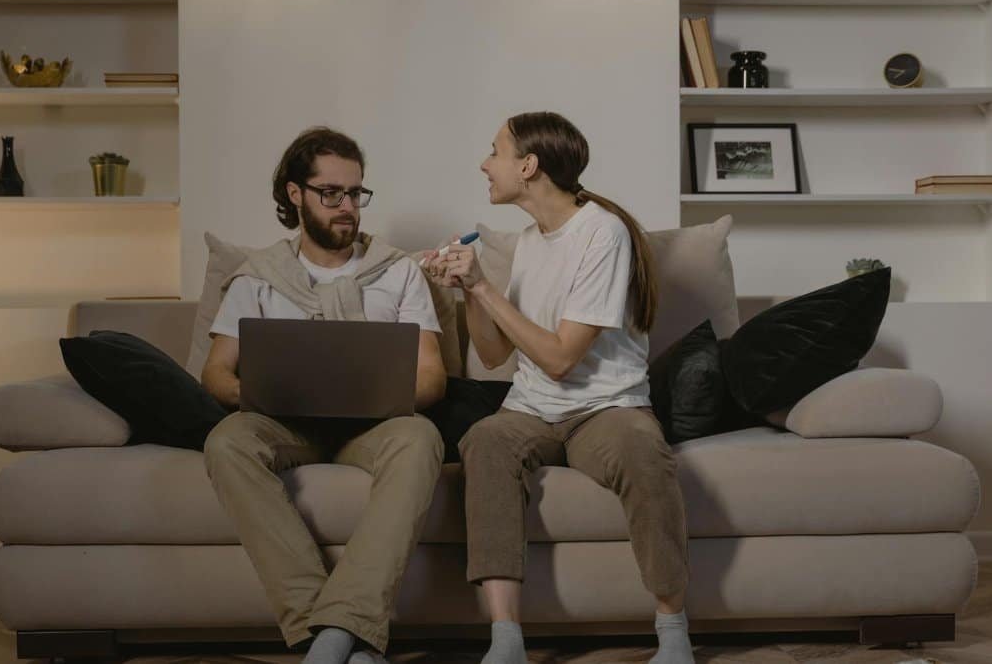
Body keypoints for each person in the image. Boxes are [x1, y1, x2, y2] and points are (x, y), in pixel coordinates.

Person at [425, 112, 693, 664]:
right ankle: (505, 642)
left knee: (642, 450)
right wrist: (467, 289)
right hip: (531, 409)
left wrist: (484, 287)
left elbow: (561, 359)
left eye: (494, 151)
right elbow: (494, 355)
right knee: (485, 441)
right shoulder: (530, 241)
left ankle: (673, 634)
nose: (484, 164)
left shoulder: (602, 232)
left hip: (606, 407)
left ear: (528, 165)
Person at [202, 126, 447, 664]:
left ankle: (334, 635)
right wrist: (261, 393)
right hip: (286, 423)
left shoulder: (398, 272)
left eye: (355, 193)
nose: (347, 208)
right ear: (296, 194)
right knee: (227, 442)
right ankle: (328, 634)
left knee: (420, 438)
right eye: (331, 194)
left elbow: (431, 377)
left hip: (374, 427)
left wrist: (378, 394)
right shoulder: (259, 277)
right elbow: (216, 373)